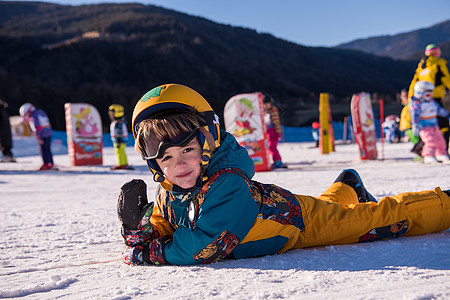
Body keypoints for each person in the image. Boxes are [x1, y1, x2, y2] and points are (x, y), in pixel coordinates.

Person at [116, 83, 450, 266]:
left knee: (379, 220)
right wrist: (140, 230)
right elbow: (166, 222)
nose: (179, 165)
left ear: (208, 142)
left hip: (300, 225)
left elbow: (204, 246)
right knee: (334, 205)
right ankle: (347, 185)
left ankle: (444, 203)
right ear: (153, 164)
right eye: (167, 158)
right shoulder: (170, 189)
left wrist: (152, 253)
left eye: (188, 150)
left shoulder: (228, 184)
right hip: (283, 216)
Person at [408, 44, 450, 153]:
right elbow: (447, 79)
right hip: (436, 99)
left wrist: (411, 99)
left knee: (425, 127)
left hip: (420, 100)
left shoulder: (422, 66)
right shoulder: (439, 64)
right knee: (442, 126)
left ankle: (425, 150)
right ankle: (441, 151)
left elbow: (414, 83)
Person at [410, 81, 450, 164]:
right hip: (424, 126)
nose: (430, 95)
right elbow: (415, 116)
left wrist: (447, 114)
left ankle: (441, 153)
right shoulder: (416, 104)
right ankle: (428, 155)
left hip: (434, 125)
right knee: (430, 141)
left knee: (440, 140)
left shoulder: (432, 102)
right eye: (428, 93)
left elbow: (438, 110)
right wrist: (415, 125)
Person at [19, 103, 55, 170]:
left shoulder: (34, 116)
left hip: (42, 134)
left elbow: (37, 126)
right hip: (48, 132)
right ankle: (50, 163)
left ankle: (47, 164)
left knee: (43, 150)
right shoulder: (40, 112)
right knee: (47, 149)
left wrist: (38, 136)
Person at [399, 89, 423, 160]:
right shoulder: (406, 106)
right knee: (415, 141)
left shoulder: (411, 105)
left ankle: (422, 155)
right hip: (407, 127)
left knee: (417, 142)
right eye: (403, 96)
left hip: (411, 127)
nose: (404, 97)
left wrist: (414, 124)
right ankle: (421, 155)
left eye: (406, 95)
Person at [262, 93, 285, 168]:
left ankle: (278, 161)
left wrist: (277, 132)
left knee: (272, 147)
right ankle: (276, 161)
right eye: (266, 105)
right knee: (270, 147)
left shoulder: (272, 111)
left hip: (273, 131)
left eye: (268, 104)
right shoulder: (267, 111)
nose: (267, 106)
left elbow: (274, 122)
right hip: (270, 131)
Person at [108, 104, 133, 170]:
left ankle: (121, 164)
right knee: (122, 151)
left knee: (119, 152)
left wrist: (118, 141)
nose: (111, 115)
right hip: (122, 140)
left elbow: (119, 132)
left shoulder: (117, 123)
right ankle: (124, 163)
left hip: (119, 140)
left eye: (112, 113)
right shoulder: (120, 122)